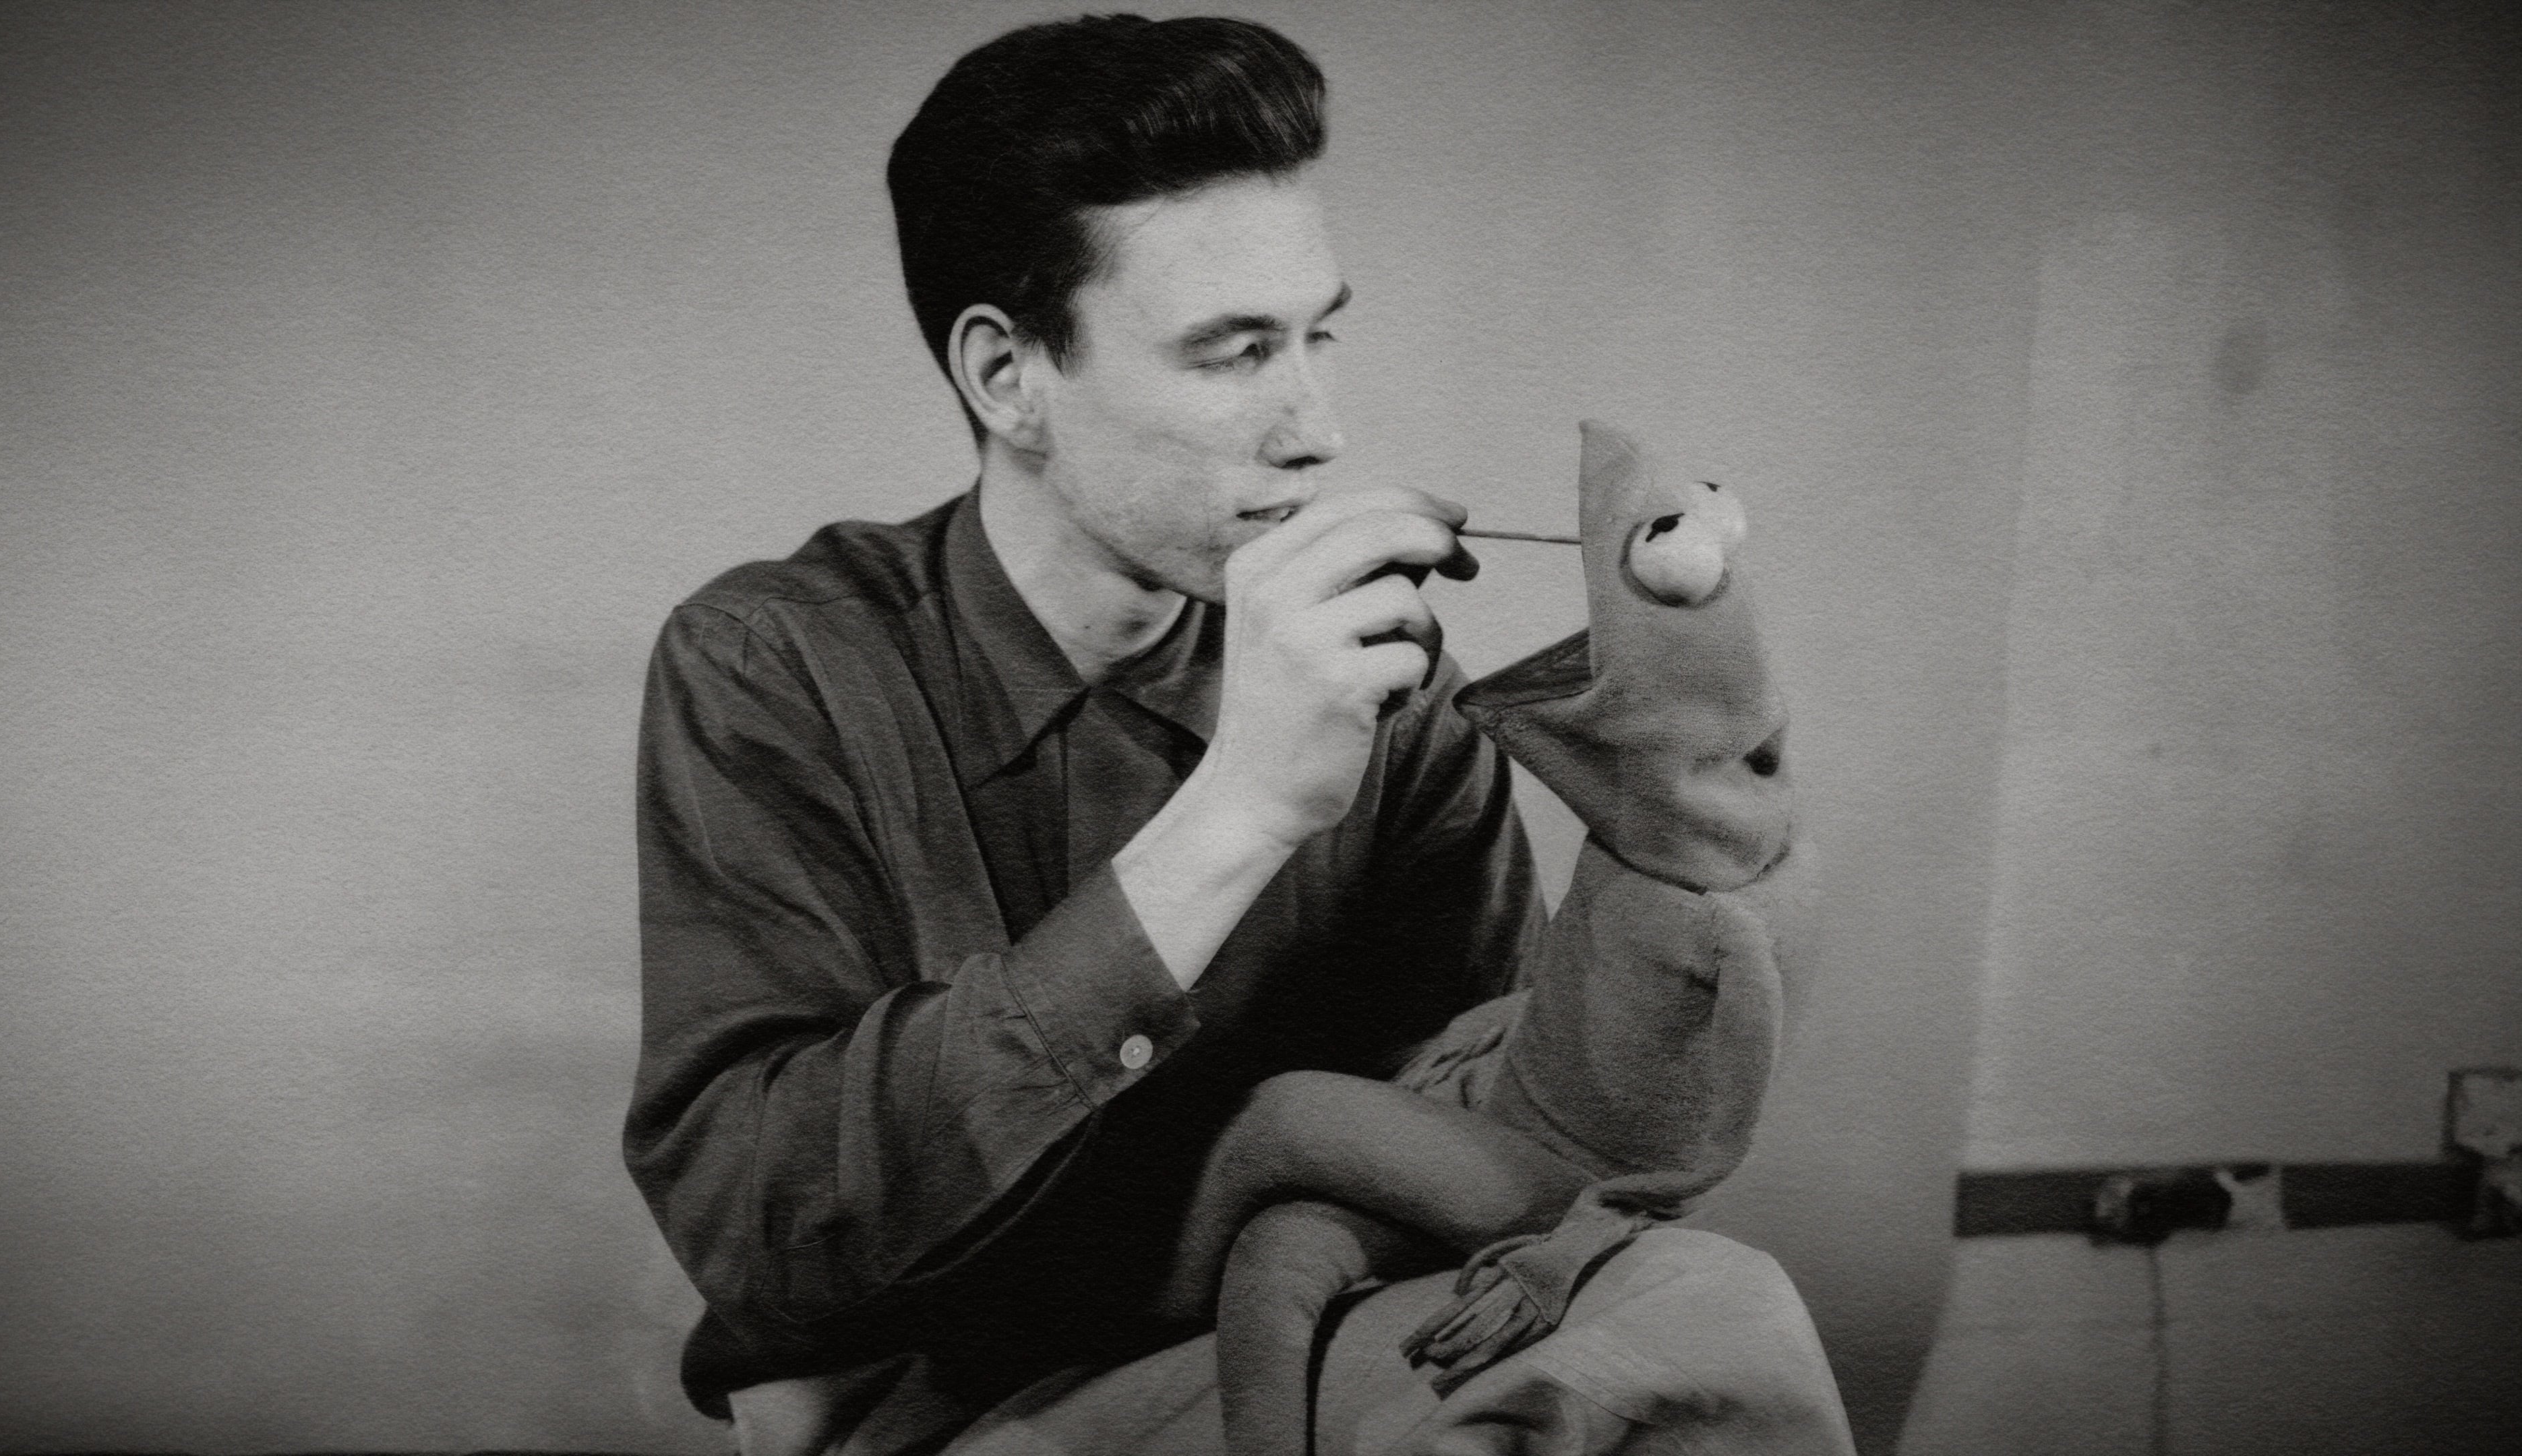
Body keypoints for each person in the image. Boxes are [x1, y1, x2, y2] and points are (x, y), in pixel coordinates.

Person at [625, 15, 1853, 1455]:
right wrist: (1243, 809)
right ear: (1008, 378)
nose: (1315, 427)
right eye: (1233, 354)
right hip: (929, 1405)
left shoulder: (1383, 686)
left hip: (1293, 1327)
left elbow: (1485, 1127)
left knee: (1693, 1320)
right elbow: (762, 1235)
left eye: (1318, 335)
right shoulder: (777, 660)